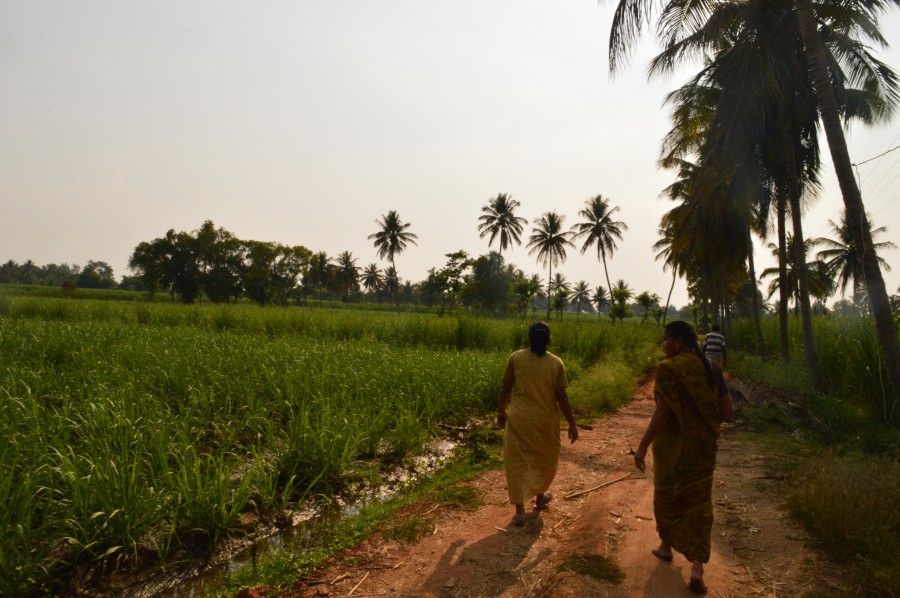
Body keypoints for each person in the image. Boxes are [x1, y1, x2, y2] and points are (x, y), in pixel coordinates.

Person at [634, 320, 733, 594]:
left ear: (679, 342)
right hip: (702, 450)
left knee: (668, 497)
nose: (663, 345)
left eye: (666, 340)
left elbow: (662, 414)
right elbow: (726, 411)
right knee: (699, 504)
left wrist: (642, 446)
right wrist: (703, 427)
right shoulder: (711, 367)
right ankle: (697, 567)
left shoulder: (669, 369)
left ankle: (666, 547)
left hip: (672, 450)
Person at [496, 321, 578, 527]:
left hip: (519, 419)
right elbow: (562, 397)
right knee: (543, 457)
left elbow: (506, 387)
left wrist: (501, 410)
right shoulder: (556, 363)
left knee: (517, 462)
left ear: (529, 338)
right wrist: (572, 424)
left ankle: (520, 512)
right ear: (549, 339)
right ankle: (540, 497)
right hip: (545, 420)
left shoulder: (516, 358)